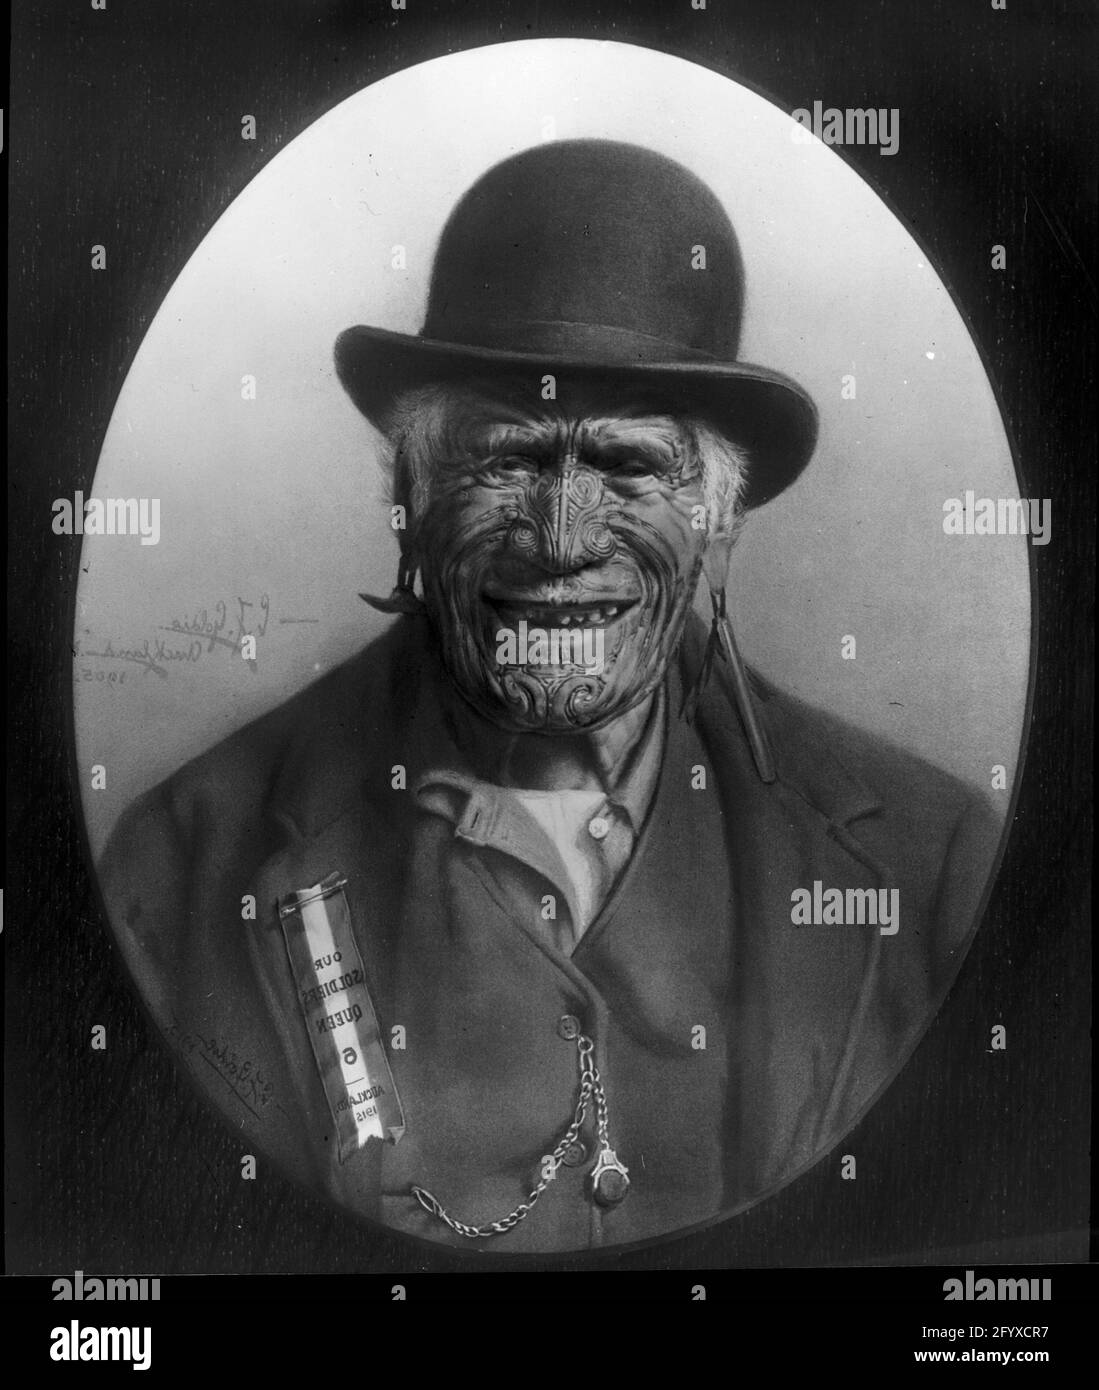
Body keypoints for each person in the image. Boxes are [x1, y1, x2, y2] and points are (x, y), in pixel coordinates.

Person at [99, 140, 1000, 1252]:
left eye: (627, 466)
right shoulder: (183, 873)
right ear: (409, 490)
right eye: (509, 459)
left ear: (719, 515)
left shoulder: (935, 864)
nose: (566, 540)